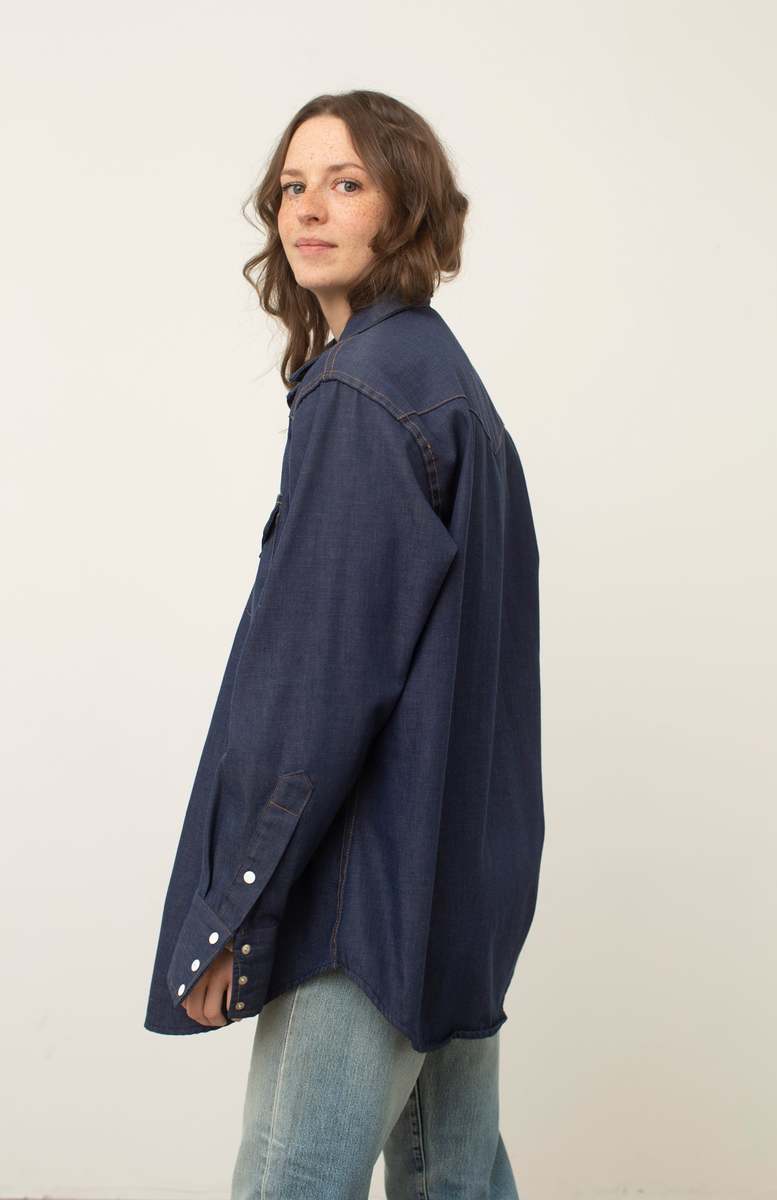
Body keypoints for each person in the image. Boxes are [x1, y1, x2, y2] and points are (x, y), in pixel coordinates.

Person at [143, 89, 545, 1200]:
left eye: (346, 182)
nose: (307, 209)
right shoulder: (442, 382)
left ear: (403, 207)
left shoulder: (363, 397)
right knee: (455, 1179)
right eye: (292, 186)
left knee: (292, 1180)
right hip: (453, 884)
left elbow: (315, 687)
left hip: (360, 908)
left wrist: (234, 908)